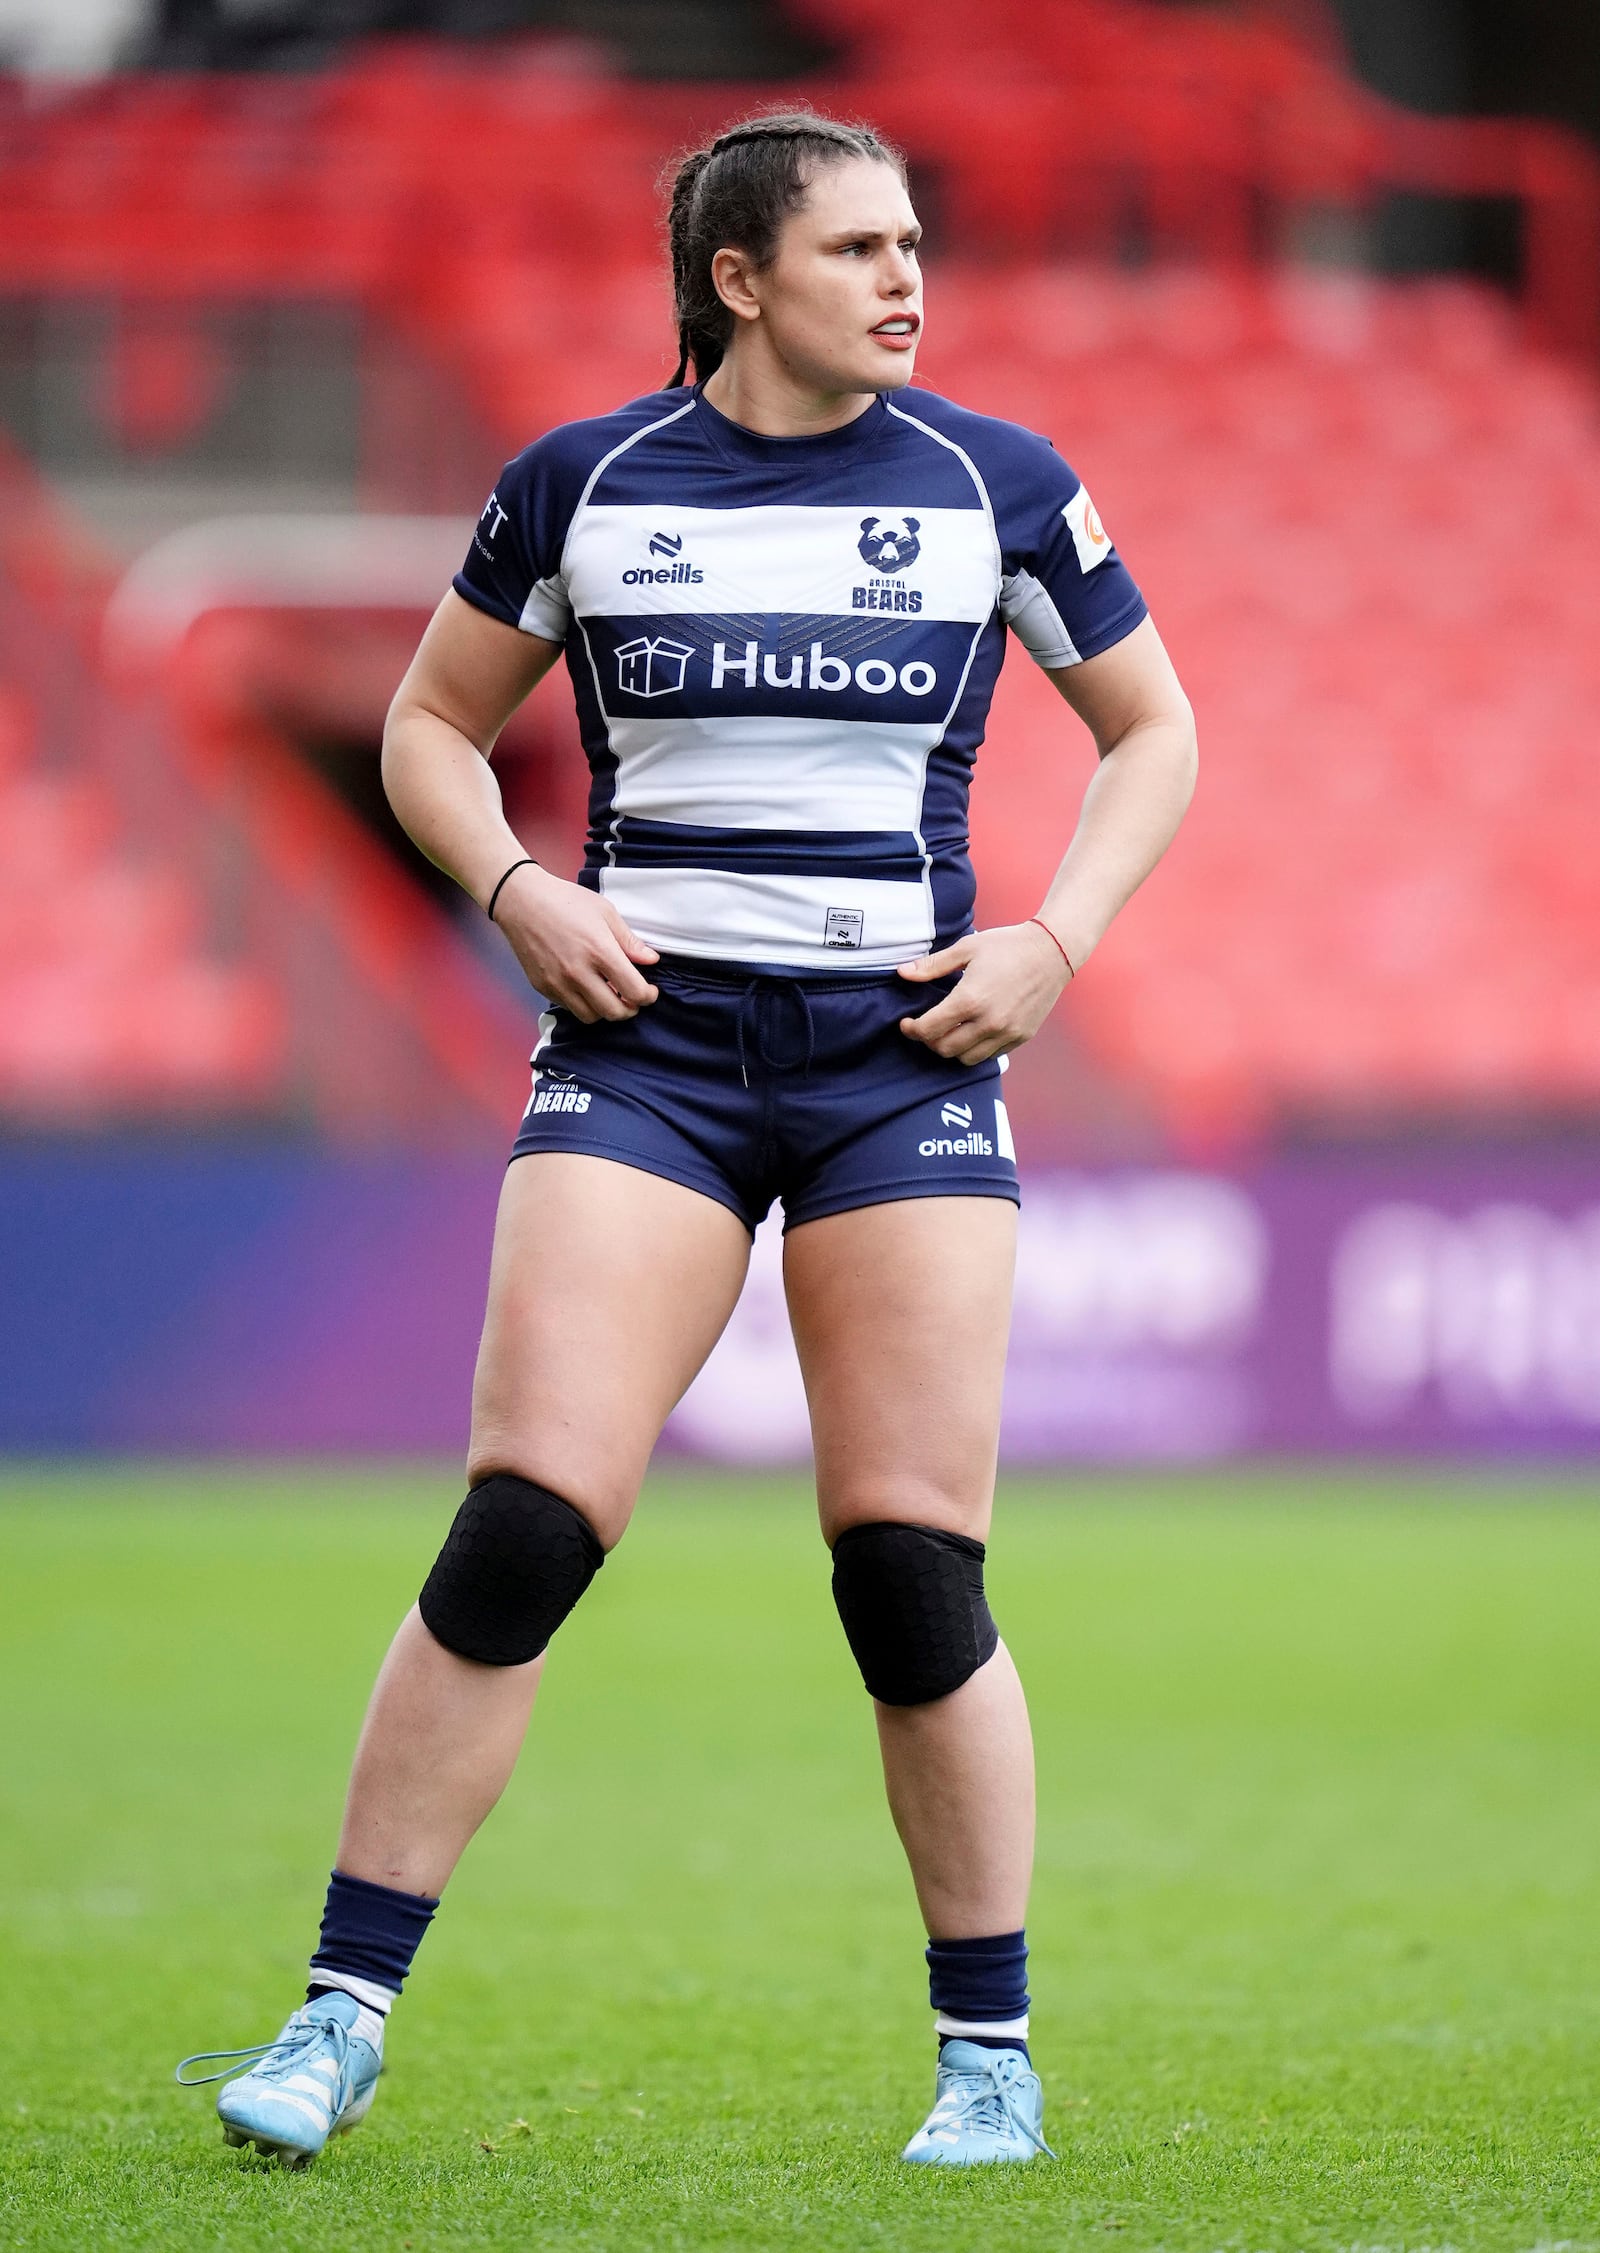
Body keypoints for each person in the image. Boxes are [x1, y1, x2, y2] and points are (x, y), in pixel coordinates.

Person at [177, 107, 1196, 2170]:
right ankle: (336, 2012)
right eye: (860, 248)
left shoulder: (997, 487)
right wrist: (514, 891)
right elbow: (425, 727)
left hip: (897, 1054)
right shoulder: (584, 483)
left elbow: (1152, 728)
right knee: (526, 1520)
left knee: (906, 1564)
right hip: (644, 1053)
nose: (908, 279)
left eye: (914, 244)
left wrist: (1054, 940)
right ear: (739, 279)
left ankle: (983, 2056)